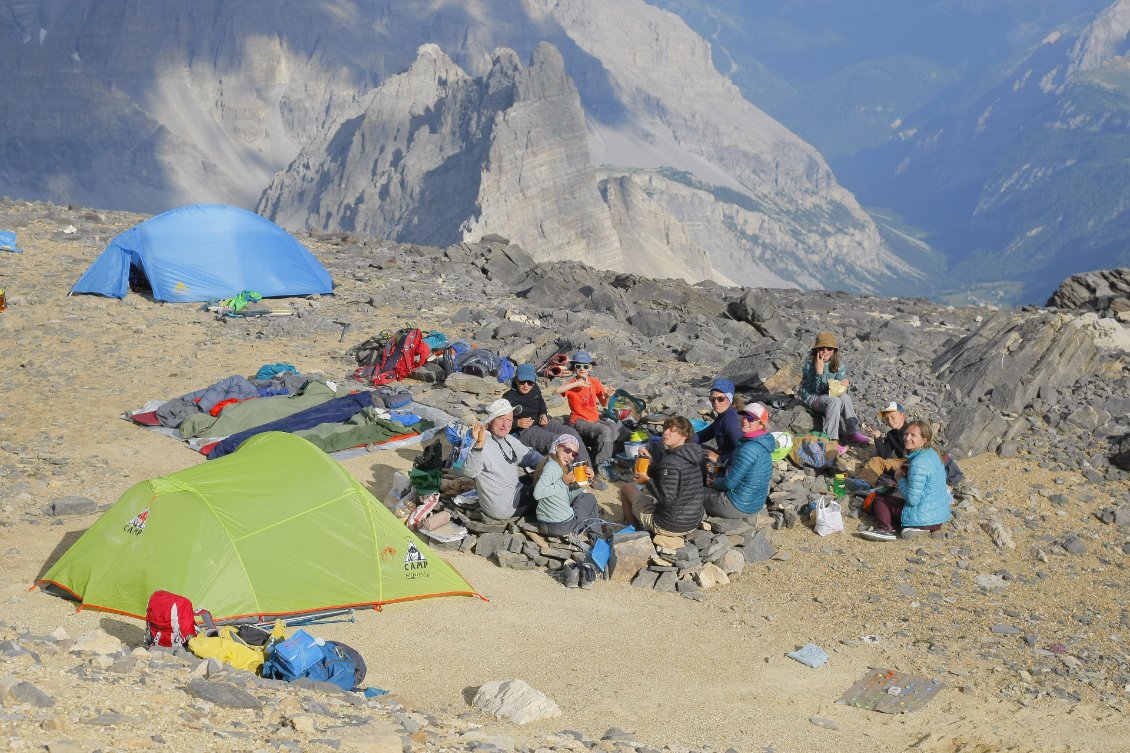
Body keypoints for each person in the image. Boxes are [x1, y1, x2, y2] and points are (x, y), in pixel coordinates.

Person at [501, 363, 606, 489]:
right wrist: (517, 423)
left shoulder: (535, 390)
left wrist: (543, 414)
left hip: (541, 423)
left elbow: (541, 405)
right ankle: (571, 474)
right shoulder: (508, 398)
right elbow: (500, 422)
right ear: (516, 379)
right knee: (557, 441)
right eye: (522, 381)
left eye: (530, 382)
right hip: (523, 431)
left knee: (571, 433)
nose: (526, 385)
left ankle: (588, 470)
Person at [860, 420, 953, 541]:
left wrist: (899, 478)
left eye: (913, 435)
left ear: (924, 439)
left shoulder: (918, 463)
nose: (907, 438)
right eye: (906, 434)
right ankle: (912, 527)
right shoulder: (933, 453)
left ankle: (885, 530)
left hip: (924, 519)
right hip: (937, 517)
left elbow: (913, 500)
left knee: (879, 501)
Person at [459, 398, 544, 520]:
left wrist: (554, 466)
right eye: (500, 419)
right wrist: (478, 447)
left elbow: (530, 457)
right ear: (491, 421)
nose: (505, 424)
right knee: (551, 490)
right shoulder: (481, 442)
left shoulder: (507, 439)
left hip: (512, 491)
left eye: (509, 419)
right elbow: (469, 471)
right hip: (504, 505)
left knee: (539, 476)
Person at [619, 416, 705, 536]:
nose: (666, 433)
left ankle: (634, 532)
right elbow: (672, 477)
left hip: (670, 525)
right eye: (665, 428)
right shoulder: (693, 454)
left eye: (672, 430)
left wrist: (646, 481)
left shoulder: (670, 461)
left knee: (626, 489)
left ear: (684, 436)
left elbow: (666, 500)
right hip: (693, 521)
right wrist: (651, 462)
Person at [856, 401, 965, 489]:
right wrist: (878, 437)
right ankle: (865, 482)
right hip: (901, 462)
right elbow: (884, 455)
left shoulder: (913, 429)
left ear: (902, 415)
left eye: (893, 417)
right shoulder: (891, 435)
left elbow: (929, 451)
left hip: (916, 462)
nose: (889, 421)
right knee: (876, 461)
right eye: (887, 418)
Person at [550, 351, 619, 481]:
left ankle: (601, 457)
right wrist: (577, 384)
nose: (582, 369)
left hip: (594, 419)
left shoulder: (594, 381)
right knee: (605, 430)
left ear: (590, 368)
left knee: (613, 426)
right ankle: (602, 467)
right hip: (578, 421)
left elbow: (604, 403)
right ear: (574, 368)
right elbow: (557, 390)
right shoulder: (572, 383)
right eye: (578, 366)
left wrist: (608, 396)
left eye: (585, 366)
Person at [704, 403, 775, 521]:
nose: (745, 420)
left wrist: (714, 483)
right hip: (753, 503)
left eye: (751, 418)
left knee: (697, 492)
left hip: (738, 505)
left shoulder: (748, 448)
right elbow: (736, 470)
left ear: (761, 425)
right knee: (710, 467)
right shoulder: (762, 443)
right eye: (743, 416)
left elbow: (729, 484)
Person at [799, 332, 871, 445]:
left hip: (827, 394)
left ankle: (851, 432)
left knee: (845, 398)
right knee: (834, 401)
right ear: (816, 350)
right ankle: (830, 439)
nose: (825, 351)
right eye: (821, 348)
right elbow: (816, 390)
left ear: (834, 350)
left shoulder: (838, 364)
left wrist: (843, 384)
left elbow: (838, 388)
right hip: (812, 396)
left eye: (829, 348)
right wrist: (819, 372)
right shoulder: (810, 364)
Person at [533, 434, 601, 536]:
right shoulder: (553, 467)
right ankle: (597, 538)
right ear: (557, 447)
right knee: (589, 499)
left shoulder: (550, 463)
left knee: (583, 496)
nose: (570, 456)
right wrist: (563, 482)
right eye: (568, 450)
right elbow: (538, 493)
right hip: (561, 526)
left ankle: (595, 534)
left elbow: (563, 496)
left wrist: (587, 481)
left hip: (543, 524)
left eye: (574, 454)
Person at [694, 378, 744, 468]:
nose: (716, 403)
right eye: (712, 399)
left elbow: (743, 450)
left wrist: (719, 458)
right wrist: (682, 439)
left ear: (730, 399)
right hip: (725, 458)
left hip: (731, 465)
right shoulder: (723, 416)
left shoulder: (731, 420)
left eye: (720, 399)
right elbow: (704, 435)